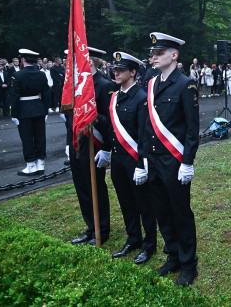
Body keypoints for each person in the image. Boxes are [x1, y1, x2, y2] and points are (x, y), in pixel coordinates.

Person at [139, 32, 199, 286]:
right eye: (153, 53)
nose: (153, 57)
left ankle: (188, 264)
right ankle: (172, 255)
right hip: (153, 159)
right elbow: (146, 126)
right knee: (161, 210)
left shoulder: (186, 85)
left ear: (173, 55)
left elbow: (192, 129)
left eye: (159, 53)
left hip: (174, 161)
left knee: (180, 212)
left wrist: (187, 161)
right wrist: (143, 158)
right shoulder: (152, 83)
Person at [107, 52, 157, 265]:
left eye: (121, 70)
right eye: (115, 69)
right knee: (125, 201)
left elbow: (145, 135)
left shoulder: (141, 97)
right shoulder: (115, 96)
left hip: (135, 159)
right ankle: (133, 238)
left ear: (133, 72)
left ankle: (149, 245)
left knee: (144, 204)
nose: (116, 73)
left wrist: (141, 164)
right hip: (118, 159)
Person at [69, 47, 116, 246]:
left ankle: (101, 228)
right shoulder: (77, 85)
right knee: (81, 186)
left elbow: (110, 121)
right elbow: (71, 117)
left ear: (91, 60)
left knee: (95, 187)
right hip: (78, 143)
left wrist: (107, 149)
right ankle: (90, 227)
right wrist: (68, 142)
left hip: (95, 145)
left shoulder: (104, 85)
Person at [10, 49, 49, 176]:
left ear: (23, 60)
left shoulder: (18, 75)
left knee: (27, 138)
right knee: (40, 136)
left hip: (24, 109)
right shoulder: (41, 74)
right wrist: (46, 110)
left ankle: (31, 165)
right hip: (38, 107)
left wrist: (14, 114)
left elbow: (14, 96)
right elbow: (45, 94)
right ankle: (40, 164)